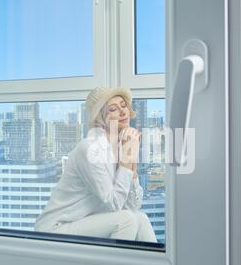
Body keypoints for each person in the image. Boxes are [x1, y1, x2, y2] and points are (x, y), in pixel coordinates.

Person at [35, 87, 157, 243]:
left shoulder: (120, 147)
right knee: (126, 220)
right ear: (100, 118)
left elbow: (133, 205)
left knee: (140, 218)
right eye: (113, 109)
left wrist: (130, 161)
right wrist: (127, 161)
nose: (122, 112)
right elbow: (114, 204)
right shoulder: (89, 148)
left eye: (123, 105)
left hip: (85, 221)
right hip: (55, 228)